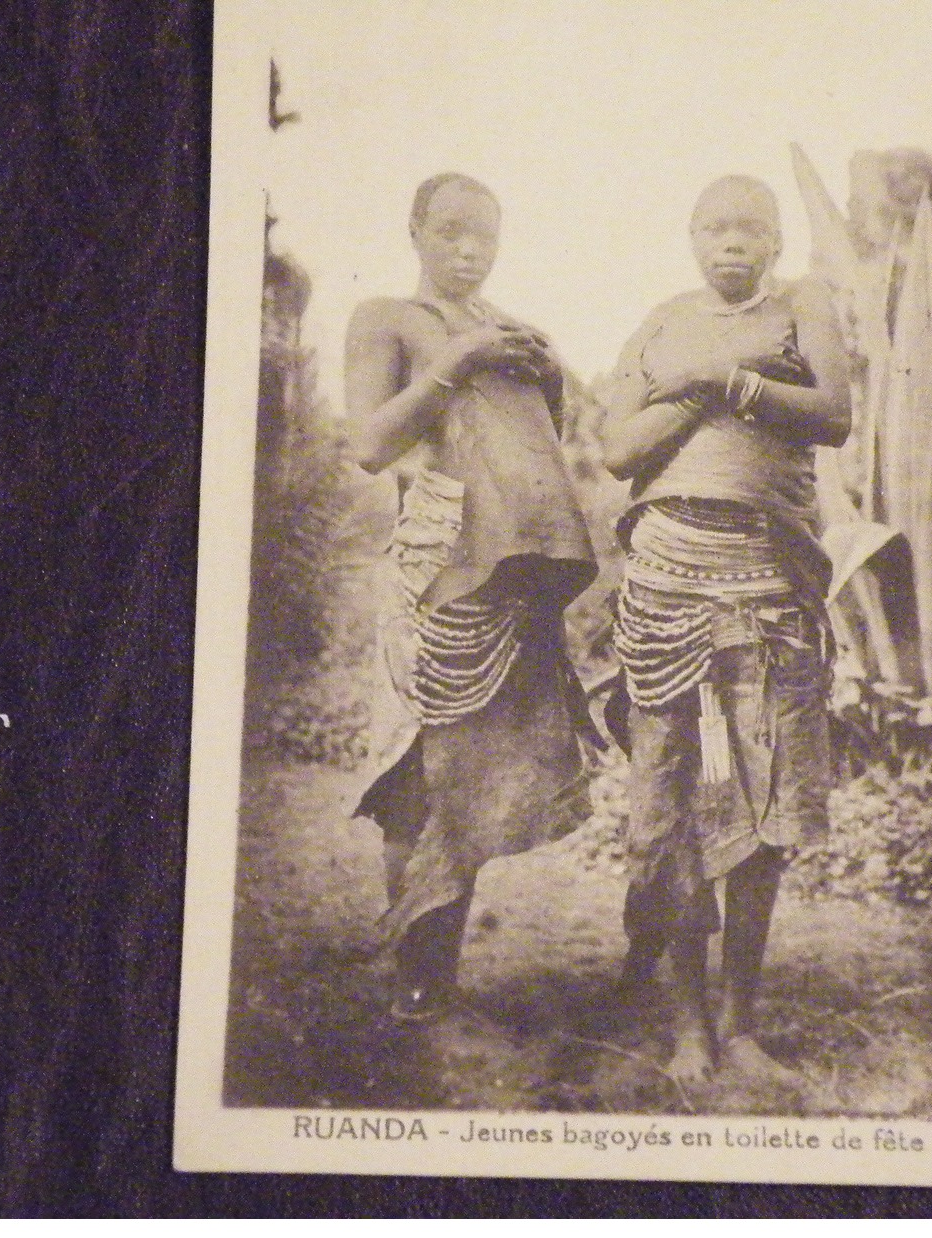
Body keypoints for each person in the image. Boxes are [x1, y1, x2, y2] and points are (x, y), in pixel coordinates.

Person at [597, 174, 851, 1084]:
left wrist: (723, 376)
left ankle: (740, 1024)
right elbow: (618, 449)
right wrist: (709, 384)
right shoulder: (664, 320)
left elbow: (833, 414)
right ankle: (686, 1028)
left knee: (763, 801)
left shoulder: (803, 304)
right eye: (712, 228)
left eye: (748, 228)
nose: (730, 242)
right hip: (665, 580)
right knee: (669, 803)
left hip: (769, 579)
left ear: (775, 241)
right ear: (691, 238)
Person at [346, 173, 598, 1021]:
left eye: (483, 237)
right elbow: (370, 443)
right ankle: (418, 977)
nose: (467, 251)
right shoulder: (386, 318)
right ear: (414, 228)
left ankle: (437, 972)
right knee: (422, 773)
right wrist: (455, 362)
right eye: (450, 232)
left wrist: (546, 371)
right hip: (435, 571)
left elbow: (535, 453)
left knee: (480, 775)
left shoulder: (512, 332)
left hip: (513, 571)